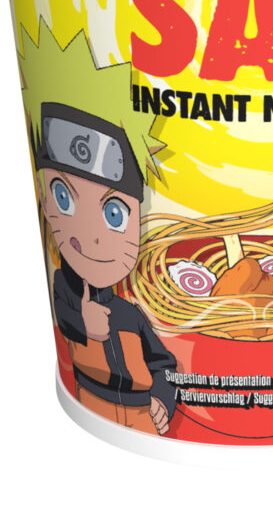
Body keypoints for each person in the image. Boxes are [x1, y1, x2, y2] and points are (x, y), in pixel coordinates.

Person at [22, 25, 177, 437]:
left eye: (113, 214)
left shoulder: (130, 316)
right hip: (90, 400)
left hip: (142, 417)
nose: (89, 236)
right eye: (63, 197)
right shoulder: (65, 292)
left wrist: (163, 399)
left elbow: (162, 363)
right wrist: (80, 321)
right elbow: (64, 309)